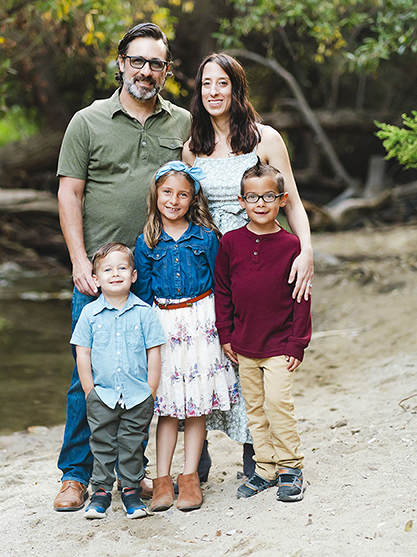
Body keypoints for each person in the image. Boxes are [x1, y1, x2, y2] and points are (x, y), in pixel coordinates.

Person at [54, 22, 191, 511]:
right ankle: (76, 474)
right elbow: (69, 192)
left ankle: (172, 471)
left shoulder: (181, 123)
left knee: (168, 366)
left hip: (164, 267)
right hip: (101, 273)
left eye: (156, 63)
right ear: (120, 64)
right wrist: (77, 262)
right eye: (138, 60)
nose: (146, 71)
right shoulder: (87, 122)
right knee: (88, 374)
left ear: (167, 70)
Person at [182, 52, 313, 477]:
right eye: (206, 85)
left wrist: (306, 253)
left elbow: (291, 200)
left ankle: (256, 453)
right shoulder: (192, 147)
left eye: (222, 84)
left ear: (236, 90)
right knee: (208, 353)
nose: (213, 92)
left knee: (253, 351)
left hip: (260, 261)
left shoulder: (266, 139)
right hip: (209, 262)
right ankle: (196, 454)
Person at [134, 161, 238, 512]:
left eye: (182, 194)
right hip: (165, 327)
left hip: (201, 323)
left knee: (196, 406)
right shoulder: (147, 241)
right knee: (166, 407)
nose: (174, 200)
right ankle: (162, 479)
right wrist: (143, 340)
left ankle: (189, 477)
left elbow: (221, 285)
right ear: (156, 195)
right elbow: (143, 297)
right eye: (167, 192)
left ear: (193, 199)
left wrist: (227, 329)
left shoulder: (206, 238)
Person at [214, 163, 312, 502]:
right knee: (254, 408)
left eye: (268, 196)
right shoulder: (230, 243)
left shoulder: (291, 246)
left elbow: (302, 298)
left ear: (282, 200)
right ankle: (266, 468)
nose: (260, 203)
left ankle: (290, 467)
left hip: (280, 345)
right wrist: (226, 334)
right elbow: (223, 291)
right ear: (242, 201)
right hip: (243, 344)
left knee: (277, 404)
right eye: (252, 197)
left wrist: (298, 343)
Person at [72, 242, 165, 519]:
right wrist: (90, 391)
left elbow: (154, 353)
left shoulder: (145, 313)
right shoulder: (89, 314)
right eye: (108, 270)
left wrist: (150, 390)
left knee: (132, 443)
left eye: (122, 268)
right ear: (96, 278)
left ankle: (131, 492)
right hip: (102, 395)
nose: (115, 274)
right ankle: (100, 492)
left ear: (133, 276)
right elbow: (82, 354)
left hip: (137, 395)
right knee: (101, 443)